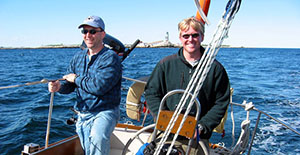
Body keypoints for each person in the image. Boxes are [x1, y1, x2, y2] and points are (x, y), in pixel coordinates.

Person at [144, 17, 230, 154]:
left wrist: (202, 126)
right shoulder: (165, 65)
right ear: (180, 38)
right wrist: (164, 118)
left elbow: (221, 102)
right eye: (186, 35)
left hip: (197, 136)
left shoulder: (215, 69)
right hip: (166, 132)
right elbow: (151, 93)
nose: (190, 39)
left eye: (195, 35)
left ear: (202, 37)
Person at [48, 15, 122, 155]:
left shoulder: (110, 58)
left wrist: (75, 78)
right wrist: (59, 87)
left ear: (103, 34)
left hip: (105, 111)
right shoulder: (78, 58)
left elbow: (99, 87)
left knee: (97, 139)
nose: (88, 35)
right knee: (88, 149)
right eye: (85, 31)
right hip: (83, 112)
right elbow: (70, 85)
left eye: (92, 31)